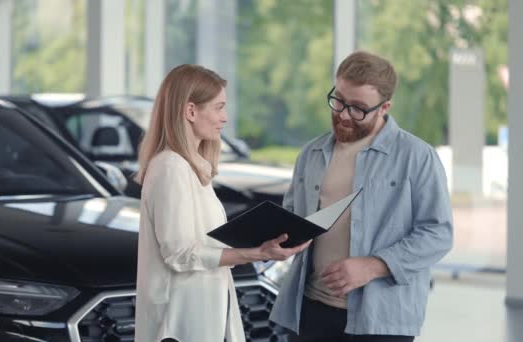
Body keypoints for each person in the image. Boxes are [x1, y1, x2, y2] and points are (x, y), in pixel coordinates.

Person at [269, 51, 454, 342]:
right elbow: (293, 218)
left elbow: (438, 233)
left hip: (380, 320)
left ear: (385, 108)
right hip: (310, 313)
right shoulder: (311, 154)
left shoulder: (417, 157)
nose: (343, 114)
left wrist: (373, 265)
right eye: (338, 101)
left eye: (357, 108)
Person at [134, 64, 311, 342]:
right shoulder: (170, 167)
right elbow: (180, 253)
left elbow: (204, 244)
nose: (225, 118)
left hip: (204, 314)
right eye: (218, 108)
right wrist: (258, 253)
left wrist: (261, 242)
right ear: (190, 111)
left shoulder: (191, 167)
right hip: (180, 323)